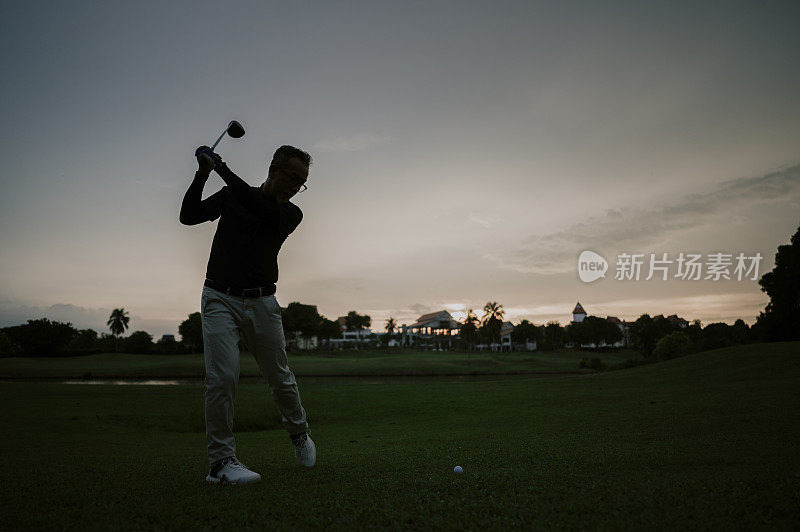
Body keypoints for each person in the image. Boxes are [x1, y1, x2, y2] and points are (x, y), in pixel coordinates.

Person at [180, 144, 315, 485]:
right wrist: (202, 174)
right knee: (222, 378)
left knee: (280, 377)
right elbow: (189, 214)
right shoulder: (231, 195)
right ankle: (221, 463)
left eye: (302, 182)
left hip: (262, 303)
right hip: (219, 298)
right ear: (274, 169)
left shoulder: (290, 214)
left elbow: (259, 208)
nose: (296, 186)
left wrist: (220, 165)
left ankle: (299, 434)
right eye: (293, 177)